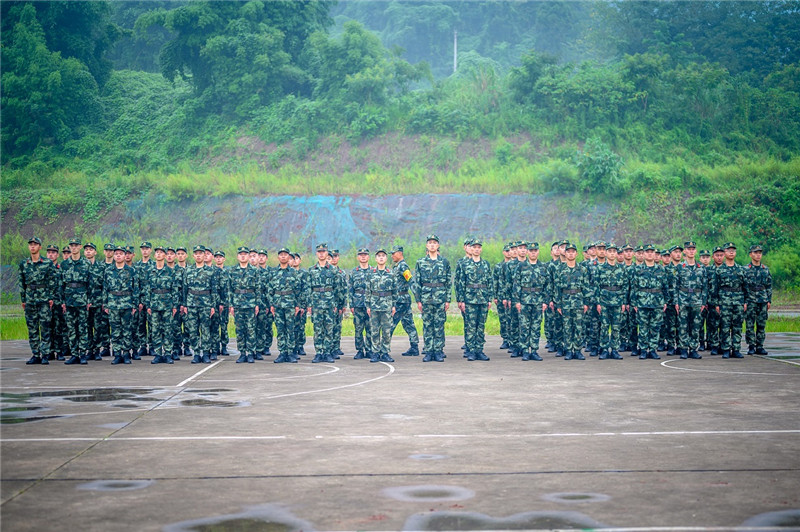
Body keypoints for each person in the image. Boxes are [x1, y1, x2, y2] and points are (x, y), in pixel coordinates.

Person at [413, 234, 452, 362]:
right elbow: (417, 282)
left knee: (439, 325)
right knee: (428, 325)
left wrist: (448, 299)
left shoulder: (444, 262)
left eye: (435, 243)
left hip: (440, 297)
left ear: (438, 245)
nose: (432, 245)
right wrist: (418, 300)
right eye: (430, 243)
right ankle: (429, 351)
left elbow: (448, 282)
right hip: (426, 297)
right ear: (426, 245)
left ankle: (439, 351)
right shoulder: (421, 262)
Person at [20, 237, 57, 365]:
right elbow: (21, 282)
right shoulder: (24, 263)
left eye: (35, 244)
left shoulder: (47, 263)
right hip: (30, 298)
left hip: (44, 299)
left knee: (45, 326)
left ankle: (45, 354)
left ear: (40, 247)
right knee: (32, 327)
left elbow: (52, 281)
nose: (32, 247)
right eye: (30, 244)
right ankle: (35, 354)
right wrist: (23, 299)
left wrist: (51, 297)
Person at [455, 239, 493, 361]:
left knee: (480, 326)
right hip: (470, 299)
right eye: (474, 247)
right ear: (471, 249)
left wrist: (489, 299)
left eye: (478, 247)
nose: (476, 249)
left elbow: (490, 282)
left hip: (482, 298)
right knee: (471, 326)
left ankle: (479, 350)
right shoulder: (465, 264)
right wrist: (461, 300)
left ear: (481, 249)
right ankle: (471, 351)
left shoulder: (485, 264)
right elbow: (461, 283)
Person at [182, 245, 220, 364]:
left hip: (205, 304)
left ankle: (206, 353)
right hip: (192, 303)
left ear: (204, 255)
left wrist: (213, 306)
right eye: (196, 253)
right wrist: (184, 305)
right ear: (193, 256)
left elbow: (214, 290)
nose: (198, 255)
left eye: (201, 253)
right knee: (193, 330)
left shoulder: (210, 271)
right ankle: (196, 354)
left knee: (205, 330)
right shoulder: (188, 270)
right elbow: (184, 289)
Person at [630, 244, 669, 360]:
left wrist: (665, 301)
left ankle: (652, 349)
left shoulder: (661, 269)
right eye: (647, 252)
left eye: (652, 252)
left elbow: (665, 286)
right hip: (642, 301)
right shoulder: (638, 269)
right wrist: (634, 302)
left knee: (655, 327)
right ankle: (643, 349)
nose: (650, 254)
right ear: (644, 254)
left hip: (657, 301)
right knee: (643, 327)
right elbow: (634, 287)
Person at [512, 242, 548, 361]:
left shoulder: (543, 267)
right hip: (524, 300)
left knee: (536, 326)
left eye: (535, 250)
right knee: (524, 326)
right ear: (528, 252)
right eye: (531, 250)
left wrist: (545, 301)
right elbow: (516, 284)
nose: (533, 252)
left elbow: (547, 286)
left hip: (538, 301)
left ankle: (534, 350)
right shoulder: (521, 266)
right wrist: (517, 301)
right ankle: (525, 350)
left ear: (538, 252)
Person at [104, 245, 139, 365]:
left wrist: (134, 304)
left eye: (121, 253)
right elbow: (105, 288)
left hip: (127, 303)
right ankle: (117, 354)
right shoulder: (109, 270)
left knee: (127, 330)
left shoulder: (131, 271)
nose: (118, 255)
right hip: (113, 303)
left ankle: (126, 353)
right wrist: (106, 304)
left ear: (125, 256)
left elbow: (135, 288)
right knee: (115, 331)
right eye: (116, 254)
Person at [553, 242, 589, 360]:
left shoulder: (582, 269)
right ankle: (568, 350)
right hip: (565, 301)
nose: (570, 253)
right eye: (568, 251)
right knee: (567, 327)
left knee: (579, 326)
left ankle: (578, 350)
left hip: (578, 300)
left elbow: (586, 287)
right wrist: (558, 304)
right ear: (565, 253)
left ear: (576, 254)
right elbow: (557, 288)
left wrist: (586, 303)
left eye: (573, 251)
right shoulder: (560, 269)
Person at [673, 241, 707, 359]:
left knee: (696, 325)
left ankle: (693, 349)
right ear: (685, 252)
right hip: (683, 299)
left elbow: (705, 286)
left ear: (695, 251)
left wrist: (703, 301)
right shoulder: (679, 267)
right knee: (683, 325)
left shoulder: (701, 268)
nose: (691, 251)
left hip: (697, 300)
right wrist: (676, 302)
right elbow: (675, 286)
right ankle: (683, 349)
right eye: (689, 249)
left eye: (693, 249)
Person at [60, 238, 92, 365]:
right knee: (71, 329)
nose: (73, 248)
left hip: (82, 299)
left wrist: (89, 300)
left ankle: (83, 354)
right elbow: (60, 285)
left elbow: (91, 283)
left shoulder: (86, 263)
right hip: (69, 300)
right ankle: (74, 354)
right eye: (71, 246)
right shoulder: (64, 264)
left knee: (83, 328)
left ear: (80, 247)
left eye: (76, 245)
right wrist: (62, 301)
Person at [145, 246, 179, 364]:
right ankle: (158, 354)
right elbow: (147, 289)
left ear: (165, 255)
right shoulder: (150, 271)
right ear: (155, 256)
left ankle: (168, 353)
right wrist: (148, 304)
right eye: (157, 253)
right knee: (155, 330)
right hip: (154, 304)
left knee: (168, 329)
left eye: (161, 253)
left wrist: (175, 305)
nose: (159, 254)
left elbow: (174, 289)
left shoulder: (170, 271)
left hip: (167, 304)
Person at [714, 243, 748, 358]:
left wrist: (745, 302)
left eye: (733, 250)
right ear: (725, 253)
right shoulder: (719, 270)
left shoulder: (741, 269)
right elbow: (715, 288)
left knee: (737, 326)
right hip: (724, 301)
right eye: (729, 250)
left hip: (738, 301)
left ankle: (736, 349)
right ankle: (726, 349)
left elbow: (745, 287)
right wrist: (717, 303)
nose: (731, 252)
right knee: (724, 326)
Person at [594, 243, 628, 360]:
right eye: (610, 251)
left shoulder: (621, 268)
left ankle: (614, 349)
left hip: (618, 300)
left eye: (614, 251)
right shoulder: (600, 268)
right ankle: (604, 349)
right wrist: (598, 302)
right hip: (604, 300)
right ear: (607, 253)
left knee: (616, 326)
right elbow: (596, 286)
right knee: (604, 326)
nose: (612, 253)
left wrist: (623, 301)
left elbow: (625, 286)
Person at [228, 247, 261, 364]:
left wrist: (257, 304)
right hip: (237, 303)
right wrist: (231, 304)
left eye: (245, 254)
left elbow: (258, 288)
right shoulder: (232, 271)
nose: (243, 256)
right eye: (240, 254)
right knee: (240, 329)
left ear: (248, 256)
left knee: (251, 329)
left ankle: (251, 353)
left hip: (250, 303)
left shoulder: (254, 271)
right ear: (238, 257)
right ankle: (242, 353)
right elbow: (230, 289)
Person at [270, 247, 302, 363]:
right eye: (281, 254)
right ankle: (282, 352)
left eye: (285, 254)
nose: (283, 256)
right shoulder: (274, 272)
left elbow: (298, 290)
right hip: (278, 305)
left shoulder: (293, 272)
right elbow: (270, 289)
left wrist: (297, 305)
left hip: (290, 305)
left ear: (289, 257)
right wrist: (272, 304)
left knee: (290, 329)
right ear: (278, 257)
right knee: (280, 329)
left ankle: (291, 353)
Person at [308, 244, 339, 363]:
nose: (321, 253)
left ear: (327, 253)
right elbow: (308, 288)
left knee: (329, 328)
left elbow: (337, 289)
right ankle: (318, 353)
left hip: (329, 303)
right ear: (316, 253)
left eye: (324, 251)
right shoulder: (312, 270)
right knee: (317, 329)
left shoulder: (333, 270)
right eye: (319, 251)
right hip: (316, 303)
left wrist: (336, 304)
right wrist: (309, 304)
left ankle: (327, 352)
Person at [367, 248, 397, 362]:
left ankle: (385, 352)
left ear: (386, 258)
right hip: (374, 305)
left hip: (387, 305)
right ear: (375, 258)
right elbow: (367, 291)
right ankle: (375, 352)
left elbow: (395, 291)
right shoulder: (371, 274)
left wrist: (393, 305)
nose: (381, 257)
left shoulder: (391, 274)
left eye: (383, 256)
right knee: (374, 330)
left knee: (386, 331)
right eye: (379, 255)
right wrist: (368, 306)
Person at [390, 246, 420, 356]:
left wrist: (418, 298)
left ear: (400, 253)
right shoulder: (397, 266)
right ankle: (414, 347)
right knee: (408, 323)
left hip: (400, 300)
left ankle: (383, 348)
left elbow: (411, 281)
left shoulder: (403, 266)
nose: (392, 255)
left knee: (390, 323)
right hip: (402, 300)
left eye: (394, 253)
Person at [744, 244, 772, 355]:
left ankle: (760, 346)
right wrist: (745, 301)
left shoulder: (765, 269)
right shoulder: (746, 269)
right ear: (751, 254)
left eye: (759, 253)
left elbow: (769, 286)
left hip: (762, 299)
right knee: (750, 324)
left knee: (761, 324)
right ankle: (751, 346)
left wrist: (769, 300)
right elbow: (743, 286)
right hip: (750, 300)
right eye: (755, 253)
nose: (758, 255)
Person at [349, 248, 374, 360]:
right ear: (358, 257)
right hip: (358, 303)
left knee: (370, 328)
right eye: (361, 255)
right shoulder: (354, 272)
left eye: (365, 255)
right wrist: (351, 304)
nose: (363, 256)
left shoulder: (373, 271)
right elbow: (350, 289)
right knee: (358, 328)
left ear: (368, 257)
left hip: (370, 304)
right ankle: (359, 350)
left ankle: (369, 350)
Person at [84, 243, 107, 360]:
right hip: (85, 301)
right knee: (87, 326)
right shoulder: (82, 266)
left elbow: (104, 285)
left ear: (95, 252)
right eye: (86, 250)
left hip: (98, 301)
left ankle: (97, 350)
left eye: (91, 250)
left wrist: (104, 301)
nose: (88, 251)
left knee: (98, 327)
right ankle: (89, 349)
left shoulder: (101, 267)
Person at [213, 250, 231, 356]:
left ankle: (224, 346)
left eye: (221, 257)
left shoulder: (228, 272)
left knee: (224, 325)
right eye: (217, 257)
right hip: (214, 303)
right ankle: (215, 346)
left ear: (224, 259)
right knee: (215, 325)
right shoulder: (212, 271)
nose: (219, 259)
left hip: (225, 303)